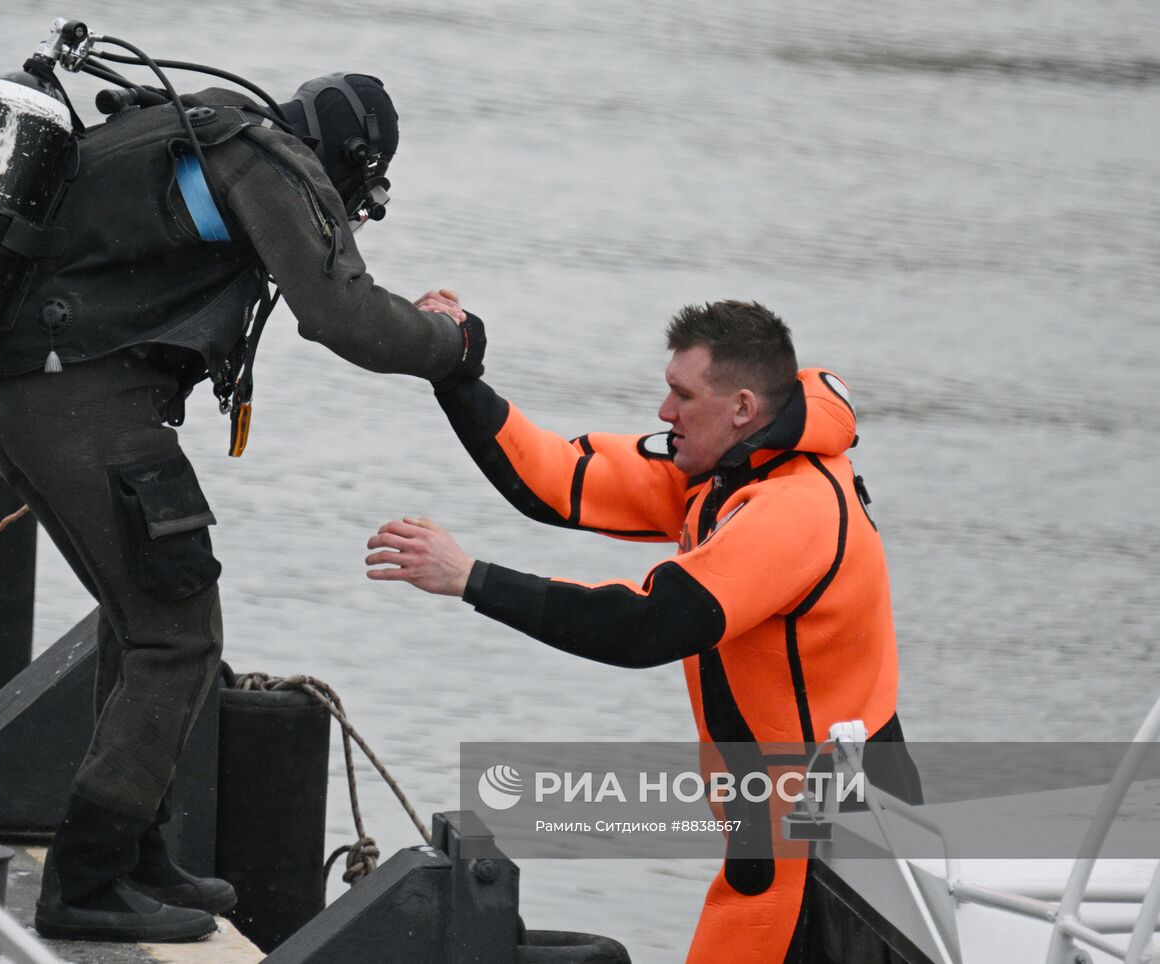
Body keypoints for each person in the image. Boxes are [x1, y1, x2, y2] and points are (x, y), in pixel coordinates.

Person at [0, 74, 477, 942]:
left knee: (139, 623)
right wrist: (454, 345)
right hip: (86, 410)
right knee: (179, 637)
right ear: (352, 160)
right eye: (363, 189)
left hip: (33, 395)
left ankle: (138, 852)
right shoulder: (267, 162)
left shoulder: (204, 124)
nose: (355, 206)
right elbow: (343, 314)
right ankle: (86, 883)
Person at [365, 297, 920, 962]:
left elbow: (645, 625)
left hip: (832, 847)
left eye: (681, 396)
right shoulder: (726, 469)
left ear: (742, 407)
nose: (664, 414)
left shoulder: (793, 512)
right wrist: (455, 372)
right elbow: (560, 478)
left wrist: (470, 577)